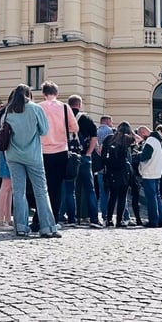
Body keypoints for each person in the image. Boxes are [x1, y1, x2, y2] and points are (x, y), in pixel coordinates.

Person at [2, 85, 60, 238]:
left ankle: (20, 227)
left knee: (19, 192)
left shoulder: (8, 111)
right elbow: (44, 130)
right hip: (33, 155)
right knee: (41, 191)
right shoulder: (35, 109)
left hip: (13, 156)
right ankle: (47, 228)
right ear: (29, 94)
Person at [32, 81, 78, 232]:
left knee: (41, 187)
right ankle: (53, 220)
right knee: (56, 188)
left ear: (43, 93)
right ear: (56, 93)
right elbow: (74, 128)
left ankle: (37, 220)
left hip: (42, 151)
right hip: (60, 151)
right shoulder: (65, 107)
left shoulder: (38, 107)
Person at [69, 95, 103, 228]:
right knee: (90, 188)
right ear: (79, 104)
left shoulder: (64, 116)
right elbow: (94, 138)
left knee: (68, 188)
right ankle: (93, 218)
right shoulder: (86, 118)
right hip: (83, 156)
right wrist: (88, 153)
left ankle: (71, 218)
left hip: (68, 156)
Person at [102, 122, 135, 227]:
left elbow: (102, 155)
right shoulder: (128, 140)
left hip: (111, 171)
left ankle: (109, 219)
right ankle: (119, 220)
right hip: (123, 172)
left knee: (112, 196)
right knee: (122, 197)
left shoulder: (110, 138)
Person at [136, 124, 162, 228]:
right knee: (157, 196)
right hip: (157, 170)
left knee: (151, 197)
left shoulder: (150, 141)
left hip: (149, 171)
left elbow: (145, 156)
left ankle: (153, 220)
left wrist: (138, 155)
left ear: (143, 133)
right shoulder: (160, 141)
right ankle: (161, 219)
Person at [95, 114, 114, 219]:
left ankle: (104, 214)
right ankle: (110, 214)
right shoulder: (109, 132)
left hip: (99, 166)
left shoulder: (96, 131)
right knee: (111, 192)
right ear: (107, 121)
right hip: (108, 166)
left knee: (102, 193)